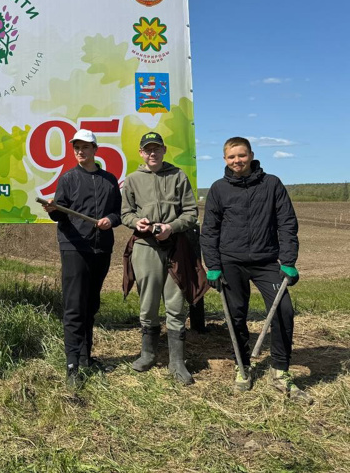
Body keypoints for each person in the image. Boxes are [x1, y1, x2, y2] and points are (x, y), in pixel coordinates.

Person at [201, 137, 311, 402]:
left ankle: (280, 369)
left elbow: (286, 223)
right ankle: (242, 365)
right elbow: (209, 231)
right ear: (225, 159)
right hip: (231, 262)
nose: (237, 161)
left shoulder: (271, 184)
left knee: (283, 310)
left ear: (251, 155)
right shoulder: (218, 189)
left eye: (241, 155)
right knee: (236, 315)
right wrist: (213, 266)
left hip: (266, 261)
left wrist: (288, 260)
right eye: (231, 157)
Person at [121, 131, 202, 385]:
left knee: (176, 303)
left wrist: (172, 227)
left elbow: (191, 212)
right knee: (148, 302)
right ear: (141, 153)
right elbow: (125, 214)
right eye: (148, 149)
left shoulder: (178, 176)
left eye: (157, 149)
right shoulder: (133, 180)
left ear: (164, 150)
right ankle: (148, 354)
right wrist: (138, 222)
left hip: (176, 246)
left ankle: (177, 362)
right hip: (145, 247)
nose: (152, 153)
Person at [42, 129, 121, 387]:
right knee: (74, 307)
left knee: (91, 305)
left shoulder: (109, 180)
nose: (80, 151)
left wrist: (110, 220)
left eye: (85, 147)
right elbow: (59, 215)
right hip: (74, 247)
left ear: (95, 150)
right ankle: (72, 366)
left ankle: (87, 357)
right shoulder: (67, 179)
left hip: (101, 249)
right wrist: (53, 209)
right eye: (76, 147)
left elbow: (117, 213)